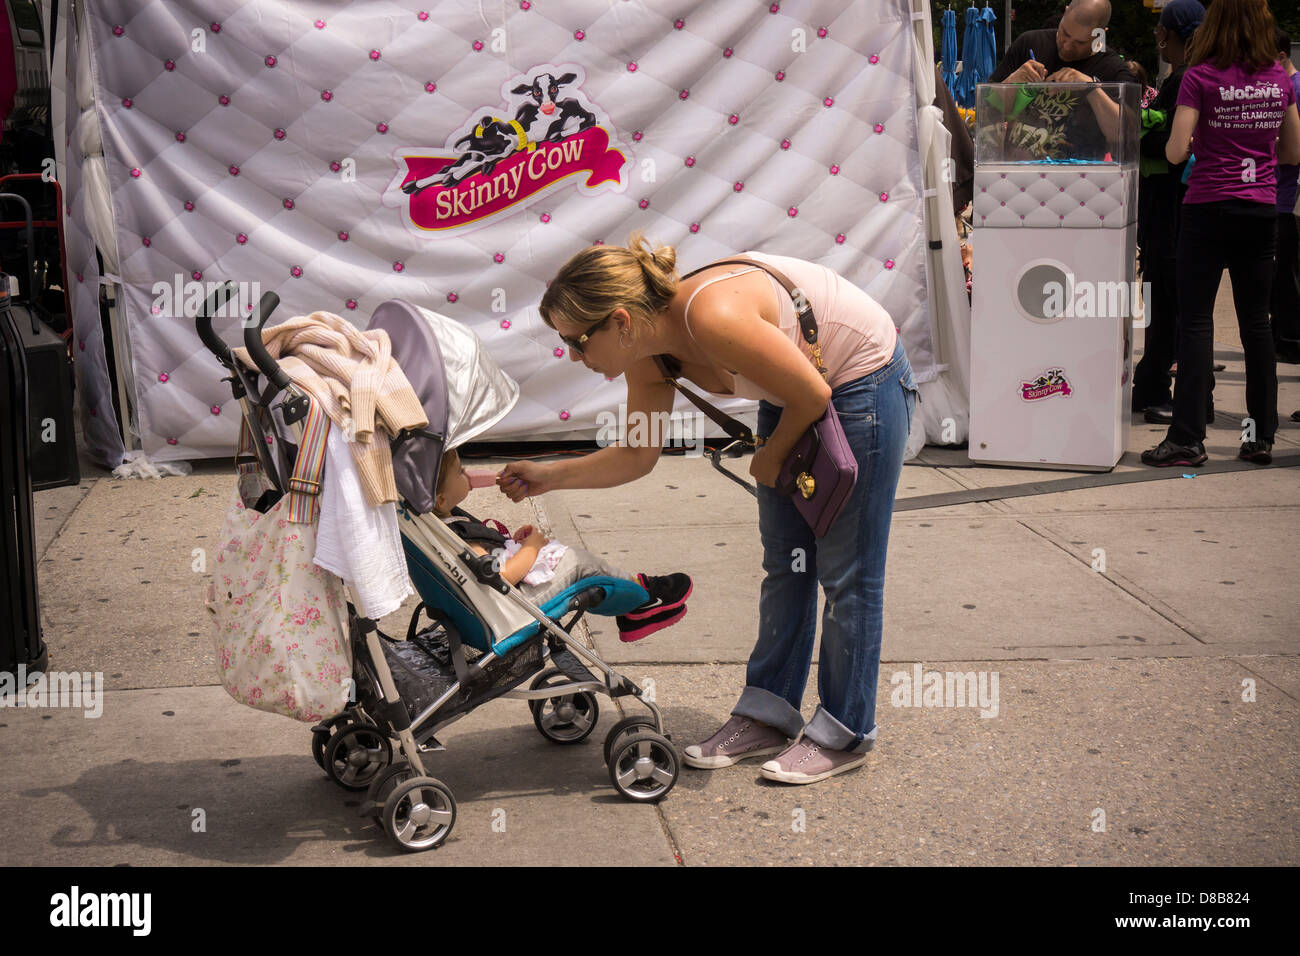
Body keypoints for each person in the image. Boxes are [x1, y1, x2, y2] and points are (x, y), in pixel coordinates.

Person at [496, 237, 917, 786]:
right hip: (795, 394)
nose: (574, 356)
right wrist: (546, 475)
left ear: (620, 321)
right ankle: (768, 714)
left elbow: (813, 395)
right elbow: (635, 453)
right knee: (787, 566)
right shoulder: (649, 352)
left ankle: (846, 732)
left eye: (577, 342)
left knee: (847, 576)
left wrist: (770, 455)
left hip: (860, 383)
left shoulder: (711, 315)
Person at [1142, 0, 1300, 468]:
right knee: (1257, 324)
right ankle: (1258, 436)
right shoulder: (1277, 79)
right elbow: (1292, 151)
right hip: (1261, 210)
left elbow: (1173, 153)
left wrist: (1205, 140)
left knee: (1195, 322)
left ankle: (1188, 438)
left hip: (1208, 207)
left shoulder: (1200, 77)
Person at [434, 448, 692, 643]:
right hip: (510, 609)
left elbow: (486, 565)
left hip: (483, 609)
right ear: (441, 499)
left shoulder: (436, 523)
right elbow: (501, 576)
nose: (467, 473)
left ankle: (637, 600)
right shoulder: (456, 534)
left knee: (568, 559)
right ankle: (641, 598)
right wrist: (532, 547)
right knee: (577, 562)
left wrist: (514, 545)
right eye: (460, 471)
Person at [1132, 0, 1204, 425]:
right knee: (1172, 302)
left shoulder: (1187, 79)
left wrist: (1136, 127)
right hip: (1175, 208)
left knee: (1172, 304)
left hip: (1174, 209)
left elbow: (1171, 148)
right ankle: (1157, 382)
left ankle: (1169, 389)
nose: (1157, 36)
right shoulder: (1186, 77)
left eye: (1160, 28)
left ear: (1173, 34)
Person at [988, 0, 1136, 157]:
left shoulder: (1112, 68)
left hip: (1078, 175)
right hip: (1017, 169)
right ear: (1065, 12)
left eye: (1080, 43)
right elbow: (989, 110)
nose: (1067, 46)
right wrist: (1013, 80)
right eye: (1065, 33)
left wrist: (1091, 88)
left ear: (1100, 34)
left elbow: (1124, 135)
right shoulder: (1030, 42)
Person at [1271, 26, 1300, 365]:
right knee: (1280, 274)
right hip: (1278, 191)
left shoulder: (1293, 87)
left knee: (1286, 273)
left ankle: (1289, 337)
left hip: (1288, 194)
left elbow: (1294, 148)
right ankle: (1283, 332)